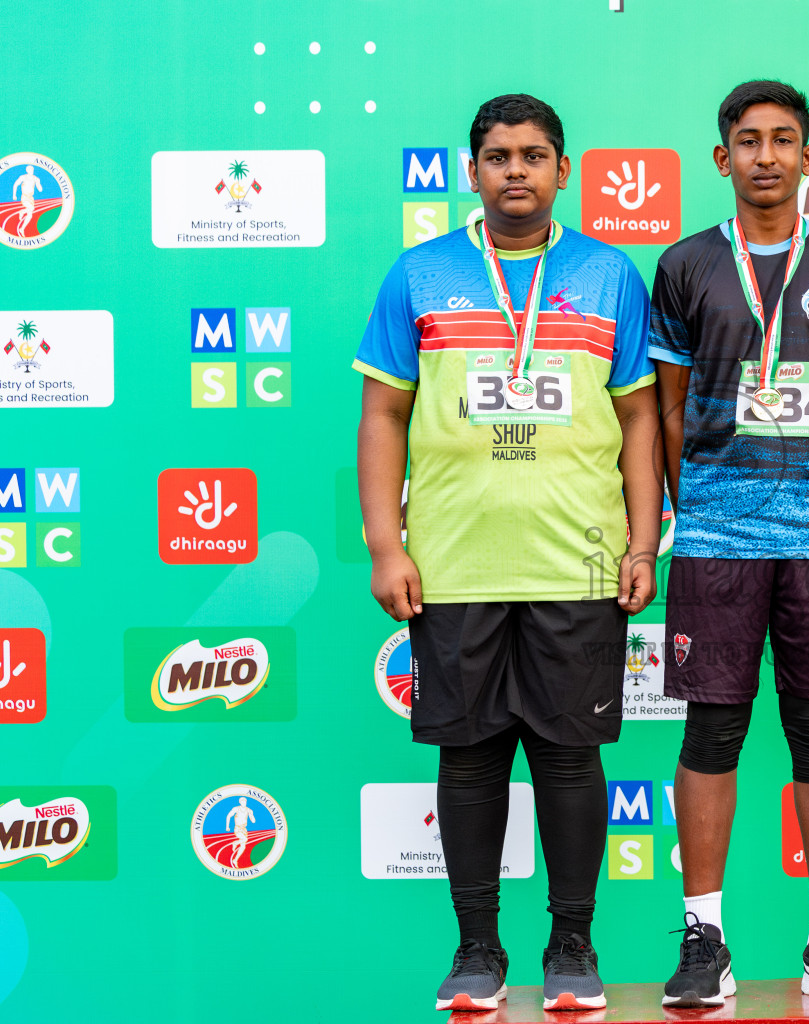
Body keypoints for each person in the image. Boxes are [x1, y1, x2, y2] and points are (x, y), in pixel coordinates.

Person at [354, 93, 661, 1013]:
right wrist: (384, 544)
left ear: (563, 170)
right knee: (471, 759)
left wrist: (645, 541)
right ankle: (478, 949)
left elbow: (642, 416)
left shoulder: (609, 274)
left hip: (577, 559)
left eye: (533, 155)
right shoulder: (420, 275)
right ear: (472, 170)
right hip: (454, 563)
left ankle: (573, 945)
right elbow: (383, 416)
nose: (516, 171)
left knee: (570, 760)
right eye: (497, 156)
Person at [650, 80, 809, 1008]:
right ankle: (704, 939)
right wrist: (699, 500)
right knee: (712, 729)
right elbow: (667, 409)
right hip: (713, 531)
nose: (765, 156)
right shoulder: (684, 266)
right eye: (747, 141)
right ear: (722, 159)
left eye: (784, 140)